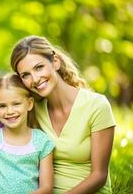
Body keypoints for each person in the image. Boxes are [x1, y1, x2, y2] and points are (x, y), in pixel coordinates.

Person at [10, 35, 116, 193]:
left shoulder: (96, 105)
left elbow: (99, 176)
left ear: (55, 61)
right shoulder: (33, 109)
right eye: (25, 75)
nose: (35, 79)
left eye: (39, 67)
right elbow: (5, 109)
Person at [0, 73, 55, 194]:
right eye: (2, 106)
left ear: (29, 104)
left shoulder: (42, 141)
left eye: (16, 104)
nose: (10, 111)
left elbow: (46, 187)